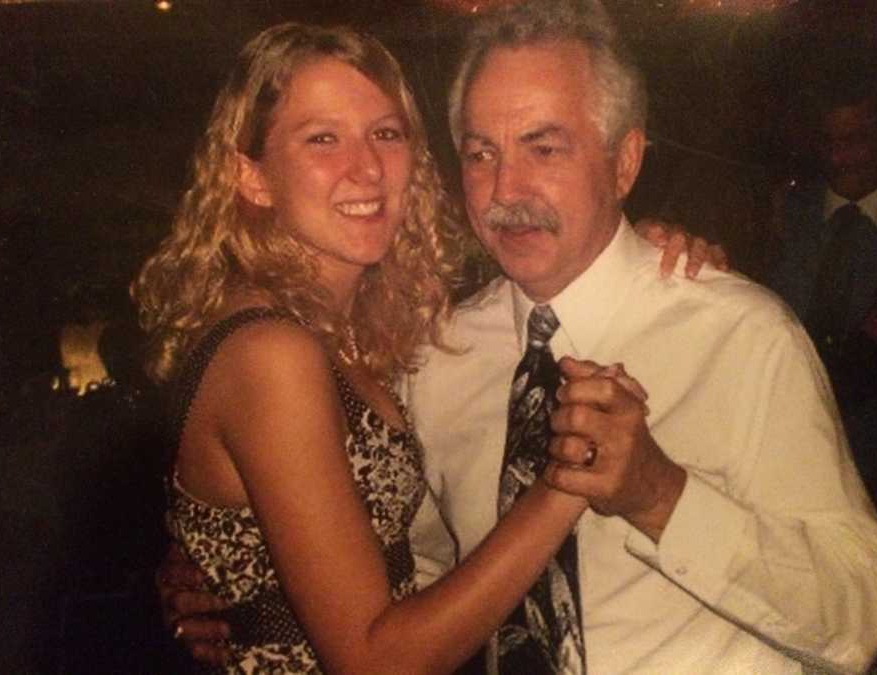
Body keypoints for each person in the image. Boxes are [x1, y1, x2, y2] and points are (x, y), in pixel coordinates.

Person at [134, 19, 693, 674]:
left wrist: (632, 245)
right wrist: (570, 477)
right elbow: (376, 661)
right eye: (322, 139)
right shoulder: (271, 354)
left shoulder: (363, 334)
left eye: (386, 133)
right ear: (252, 176)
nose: (366, 166)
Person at [406, 0, 877, 672]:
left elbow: (866, 610)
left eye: (544, 147)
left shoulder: (741, 335)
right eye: (481, 152)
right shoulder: (436, 358)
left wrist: (662, 495)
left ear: (625, 162)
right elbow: (427, 569)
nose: (503, 188)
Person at [766, 70, 877, 518]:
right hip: (783, 457)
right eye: (829, 142)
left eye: (856, 140)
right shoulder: (780, 212)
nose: (839, 158)